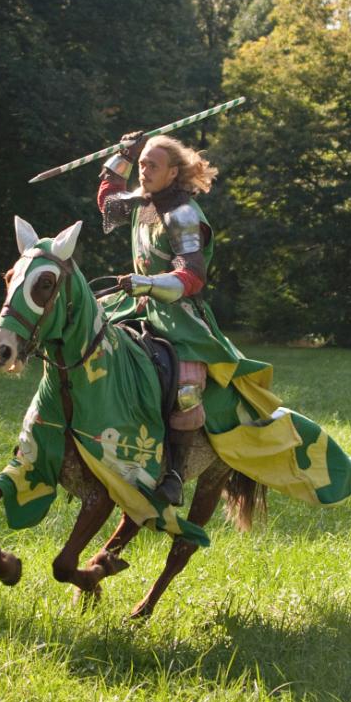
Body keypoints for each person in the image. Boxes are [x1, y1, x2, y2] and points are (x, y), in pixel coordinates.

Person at [97, 131, 219, 506]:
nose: (145, 171)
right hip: (133, 301)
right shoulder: (142, 200)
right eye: (143, 164)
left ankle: (176, 474)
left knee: (185, 387)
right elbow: (108, 201)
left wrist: (147, 283)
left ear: (173, 174)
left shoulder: (183, 213)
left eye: (153, 165)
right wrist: (124, 155)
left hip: (178, 313)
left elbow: (192, 275)